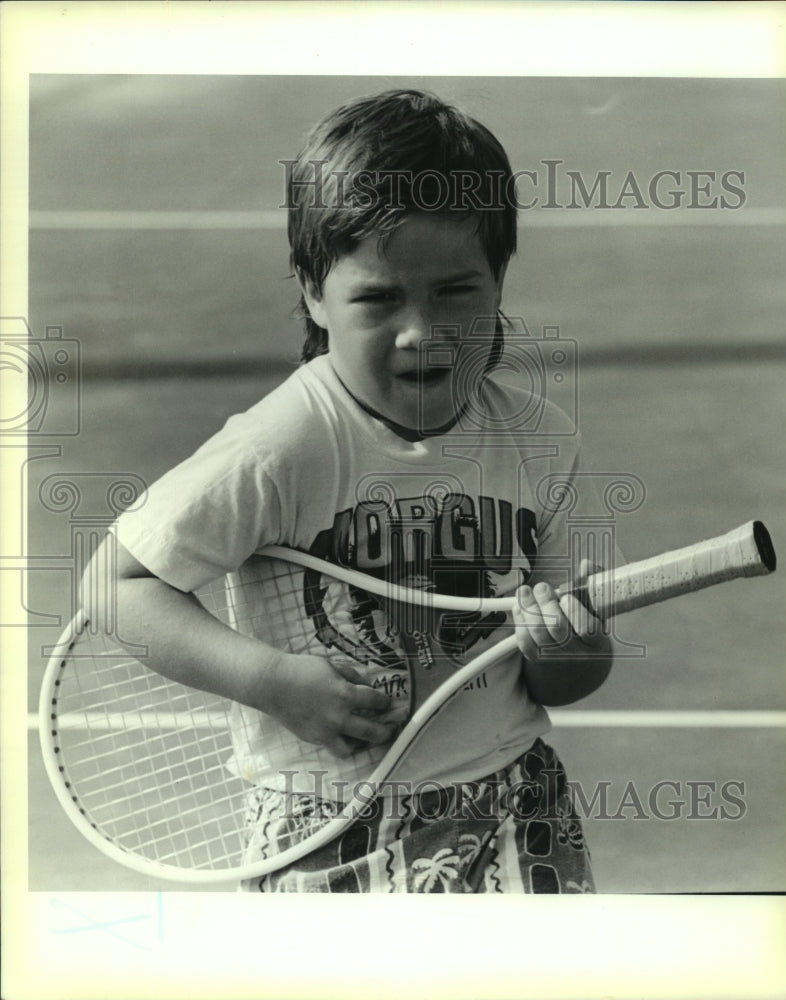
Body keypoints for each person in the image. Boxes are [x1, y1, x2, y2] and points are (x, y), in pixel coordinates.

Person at [95, 89, 614, 893]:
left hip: (513, 804)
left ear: (499, 278)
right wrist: (270, 684)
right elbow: (114, 587)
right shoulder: (282, 445)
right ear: (312, 294)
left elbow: (561, 679)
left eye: (456, 291)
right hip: (324, 820)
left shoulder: (541, 440)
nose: (423, 331)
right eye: (377, 298)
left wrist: (572, 649)